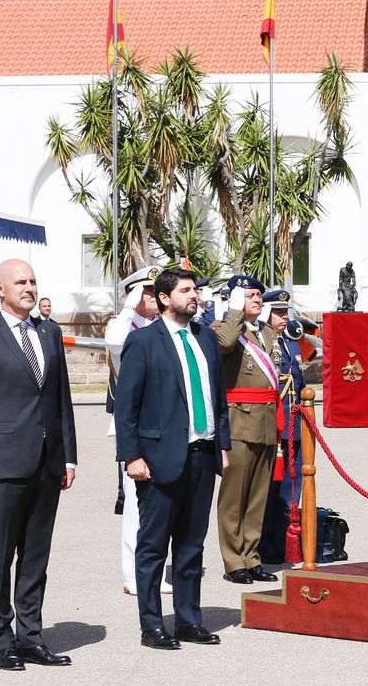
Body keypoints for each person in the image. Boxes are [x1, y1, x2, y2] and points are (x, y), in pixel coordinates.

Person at [0, 259, 77, 671]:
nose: (28, 288)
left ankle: (31, 635)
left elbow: (60, 399)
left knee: (35, 556)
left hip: (47, 464)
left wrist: (68, 456)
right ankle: (1, 639)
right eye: (20, 282)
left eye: (32, 281)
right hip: (4, 464)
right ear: (0, 290)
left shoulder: (49, 331)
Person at [115, 268, 230, 650]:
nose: (194, 296)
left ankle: (188, 620)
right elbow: (126, 406)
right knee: (153, 546)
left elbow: (219, 399)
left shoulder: (205, 340)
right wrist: (131, 456)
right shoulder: (145, 342)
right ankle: (152, 626)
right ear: (164, 298)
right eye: (185, 290)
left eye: (195, 290)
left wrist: (223, 445)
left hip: (202, 455)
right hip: (159, 459)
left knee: (191, 546)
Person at [212, 275, 281, 584]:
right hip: (239, 422)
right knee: (233, 497)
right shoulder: (225, 330)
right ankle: (232, 560)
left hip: (265, 422)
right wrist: (234, 311)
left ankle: (251, 556)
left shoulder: (265, 334)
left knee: (257, 497)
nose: (257, 300)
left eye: (259, 296)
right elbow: (225, 344)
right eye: (251, 295)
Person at [104, 266, 163, 597]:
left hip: (159, 422)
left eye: (156, 292)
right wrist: (129, 307)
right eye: (147, 292)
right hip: (135, 424)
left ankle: (151, 571)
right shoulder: (123, 324)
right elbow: (114, 342)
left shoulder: (155, 326)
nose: (153, 298)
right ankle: (132, 573)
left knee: (157, 505)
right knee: (136, 506)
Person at [258, 289, 307, 564]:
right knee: (271, 489)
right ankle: (266, 542)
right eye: (278, 312)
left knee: (292, 486)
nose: (284, 317)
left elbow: (298, 386)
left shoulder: (290, 344)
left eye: (285, 312)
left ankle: (285, 540)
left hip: (294, 425)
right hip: (275, 425)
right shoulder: (263, 344)